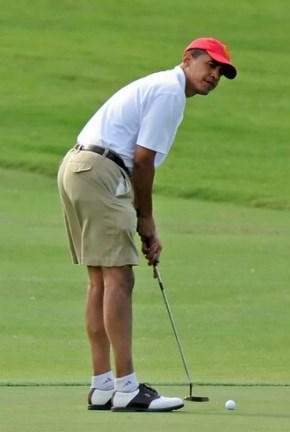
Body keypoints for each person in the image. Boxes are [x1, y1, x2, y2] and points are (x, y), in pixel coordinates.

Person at [56, 37, 237, 412]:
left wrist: (141, 220)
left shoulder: (162, 87)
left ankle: (103, 386)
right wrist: (147, 221)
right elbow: (143, 161)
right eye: (210, 65)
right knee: (119, 279)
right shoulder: (170, 91)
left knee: (101, 280)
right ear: (187, 59)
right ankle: (126, 388)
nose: (215, 75)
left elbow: (139, 162)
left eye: (221, 72)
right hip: (102, 171)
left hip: (79, 168)